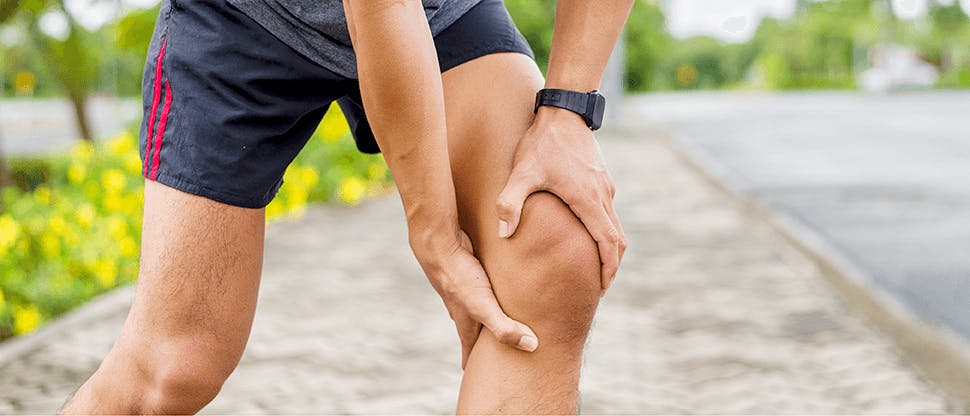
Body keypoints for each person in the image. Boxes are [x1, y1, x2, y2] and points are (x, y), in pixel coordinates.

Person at [61, 0, 630, 413]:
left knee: (551, 242)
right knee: (174, 369)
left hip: (441, 11)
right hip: (243, 16)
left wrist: (566, 113)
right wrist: (437, 236)